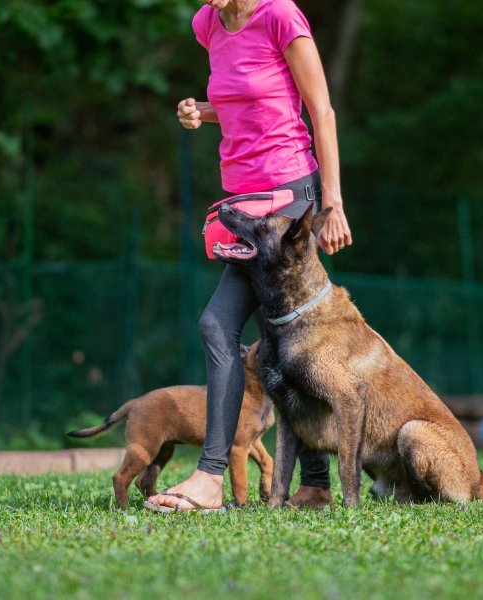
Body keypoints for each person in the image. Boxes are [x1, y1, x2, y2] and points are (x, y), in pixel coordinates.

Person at [145, 0, 352, 512]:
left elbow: (319, 109)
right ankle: (316, 485)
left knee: (221, 325)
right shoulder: (207, 23)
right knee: (282, 335)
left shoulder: (280, 14)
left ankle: (211, 477)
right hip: (241, 203)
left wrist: (332, 201)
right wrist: (203, 112)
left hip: (288, 198)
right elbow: (246, 101)